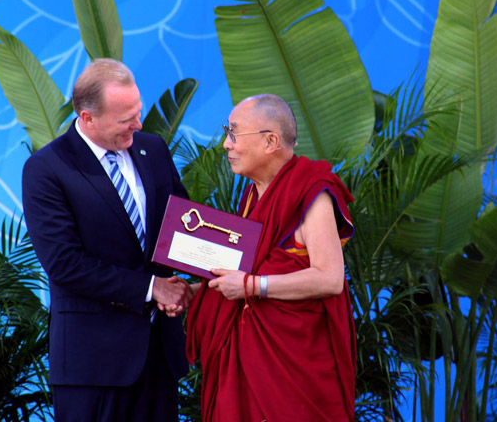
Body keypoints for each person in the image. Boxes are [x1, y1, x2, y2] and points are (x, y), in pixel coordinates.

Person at [22, 58, 192, 422]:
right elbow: (65, 264)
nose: (139, 124)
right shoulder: (47, 169)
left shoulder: (153, 150)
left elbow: (184, 226)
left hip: (158, 357)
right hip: (93, 364)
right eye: (126, 119)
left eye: (138, 111)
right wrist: (152, 288)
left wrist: (220, 269)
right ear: (88, 118)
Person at [186, 94, 357, 421]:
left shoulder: (312, 195)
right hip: (247, 365)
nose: (225, 144)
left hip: (295, 370)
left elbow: (330, 278)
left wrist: (252, 286)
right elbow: (247, 269)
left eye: (234, 133)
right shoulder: (252, 195)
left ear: (270, 142)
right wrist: (194, 291)